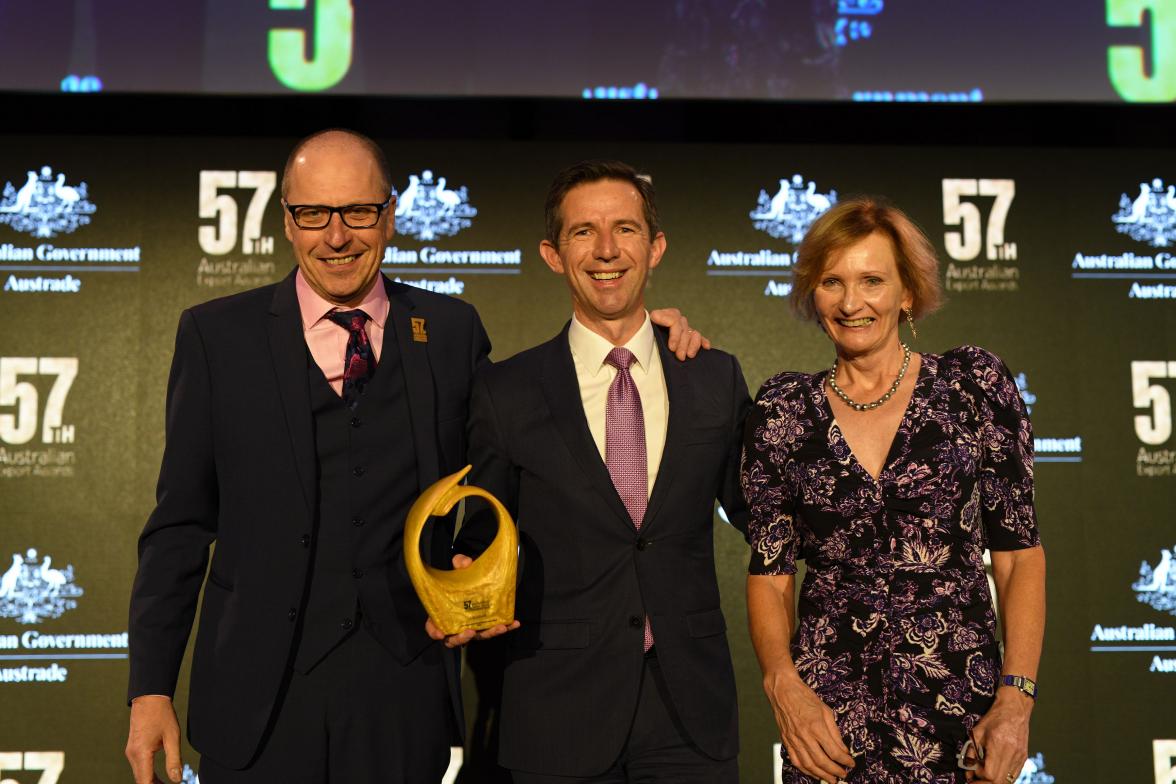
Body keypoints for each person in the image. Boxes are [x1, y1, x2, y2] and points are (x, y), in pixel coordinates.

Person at [123, 131, 704, 784]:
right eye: (314, 214)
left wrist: (638, 341)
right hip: (256, 699)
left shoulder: (450, 332)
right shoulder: (216, 336)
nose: (336, 235)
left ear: (390, 215)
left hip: (403, 691)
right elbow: (177, 528)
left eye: (358, 212)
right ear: (287, 222)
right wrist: (150, 689)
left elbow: (529, 442)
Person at [436, 160, 750, 783]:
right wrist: (466, 579)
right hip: (557, 709)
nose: (606, 250)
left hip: (690, 712)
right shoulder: (506, 392)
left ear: (655, 247)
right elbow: (483, 530)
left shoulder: (713, 376)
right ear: (553, 254)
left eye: (626, 229)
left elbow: (764, 515)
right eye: (583, 232)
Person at [742, 198, 1046, 784]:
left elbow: (1018, 557)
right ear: (813, 293)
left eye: (872, 281)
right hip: (829, 721)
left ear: (907, 293)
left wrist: (1016, 698)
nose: (852, 302)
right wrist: (784, 688)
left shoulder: (973, 388)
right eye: (832, 281)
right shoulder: (783, 411)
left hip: (963, 710)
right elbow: (771, 574)